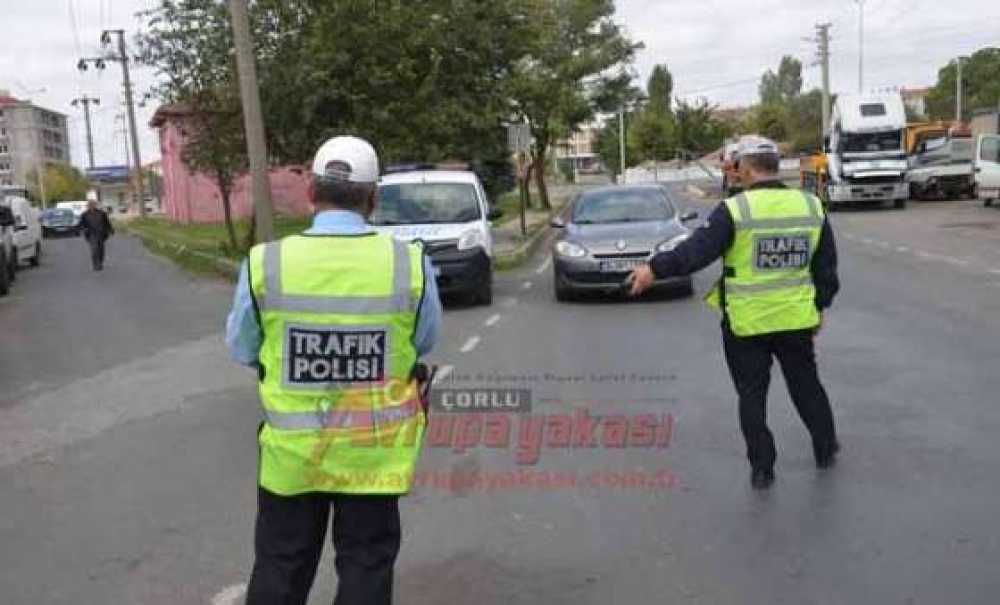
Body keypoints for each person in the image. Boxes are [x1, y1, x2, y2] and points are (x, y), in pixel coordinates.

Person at [225, 136, 442, 604]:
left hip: (292, 458)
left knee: (281, 567)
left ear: (311, 193)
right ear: (374, 197)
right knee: (366, 566)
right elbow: (422, 341)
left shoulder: (268, 262)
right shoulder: (409, 263)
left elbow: (243, 348)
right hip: (373, 454)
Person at [627, 136, 840, 490]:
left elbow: (696, 252)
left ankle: (762, 469)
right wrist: (820, 307)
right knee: (806, 386)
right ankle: (826, 448)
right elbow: (826, 269)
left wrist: (654, 269)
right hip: (796, 320)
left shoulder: (736, 210)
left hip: (747, 323)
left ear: (746, 167)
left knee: (752, 395)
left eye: (735, 166)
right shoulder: (811, 206)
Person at [80, 200, 114, 270]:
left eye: (93, 205)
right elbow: (81, 225)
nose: (91, 206)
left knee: (101, 250)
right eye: (90, 205)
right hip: (91, 234)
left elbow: (107, 223)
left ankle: (100, 262)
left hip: (101, 234)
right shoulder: (84, 214)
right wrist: (83, 229)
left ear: (95, 205)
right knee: (94, 249)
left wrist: (111, 230)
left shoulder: (101, 213)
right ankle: (95, 265)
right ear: (88, 206)